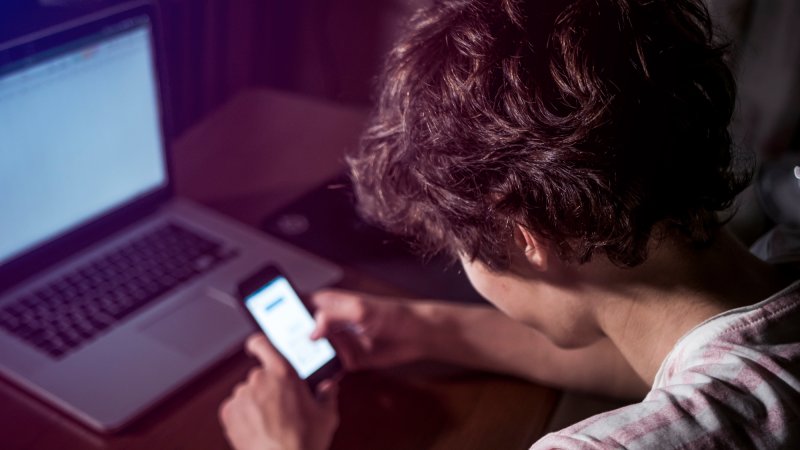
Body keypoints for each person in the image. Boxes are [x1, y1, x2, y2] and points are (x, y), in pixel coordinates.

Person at [218, 0, 800, 448]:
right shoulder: (780, 258)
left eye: (460, 251)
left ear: (527, 239)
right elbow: (644, 358)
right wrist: (426, 328)